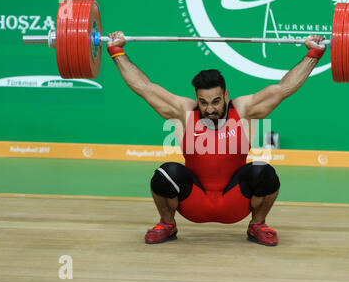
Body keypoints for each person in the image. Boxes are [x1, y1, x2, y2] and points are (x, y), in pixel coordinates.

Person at [106, 31, 326, 246]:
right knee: (166, 172)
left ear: (226, 96)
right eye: (203, 102)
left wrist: (313, 55)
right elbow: (145, 88)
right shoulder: (184, 112)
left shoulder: (244, 110)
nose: (209, 109)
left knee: (264, 171)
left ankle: (257, 225)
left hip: (235, 201)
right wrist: (117, 51)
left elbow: (283, 88)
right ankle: (167, 224)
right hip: (194, 201)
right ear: (197, 99)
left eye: (216, 101)